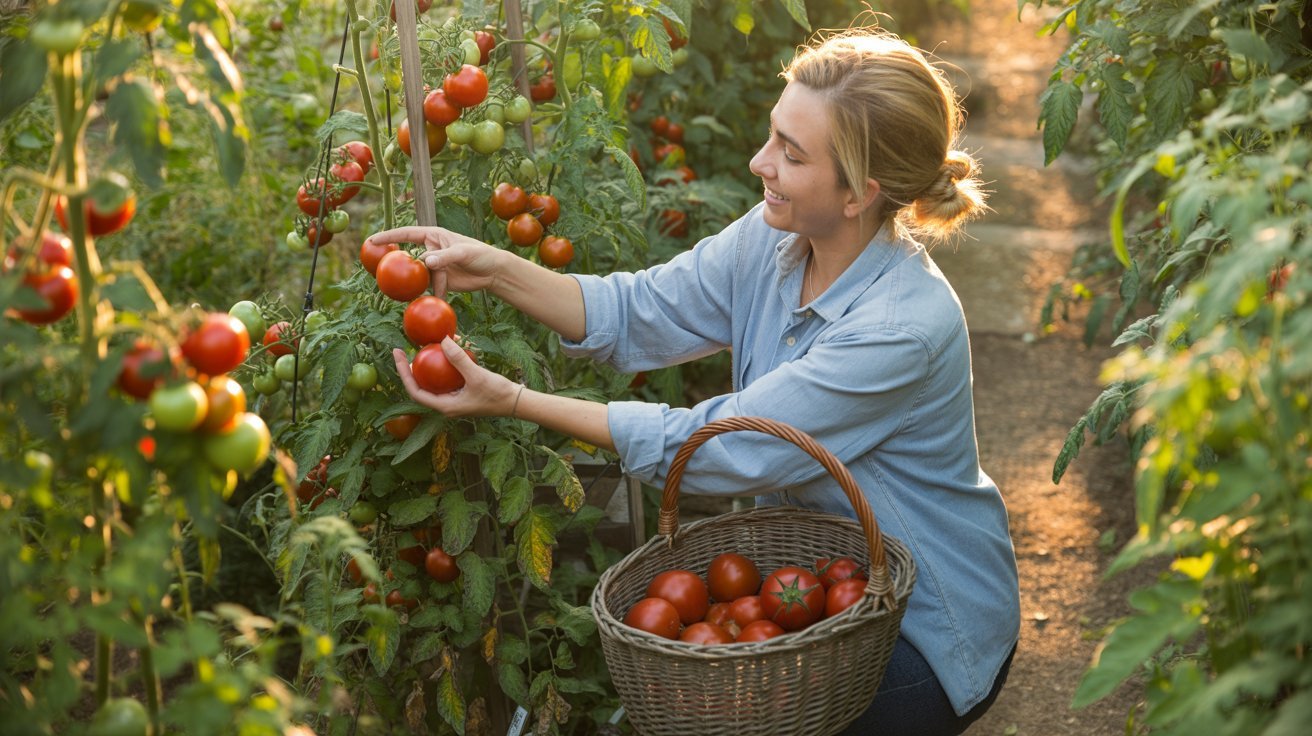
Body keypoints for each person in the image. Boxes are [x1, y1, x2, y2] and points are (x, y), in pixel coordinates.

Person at [366, 26, 1019, 736]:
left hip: (928, 627)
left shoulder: (899, 326)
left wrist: (514, 401)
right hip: (822, 590)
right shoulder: (774, 236)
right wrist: (492, 267)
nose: (758, 161)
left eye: (791, 154)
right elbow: (640, 309)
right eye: (773, 134)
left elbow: (716, 449)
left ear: (861, 193)